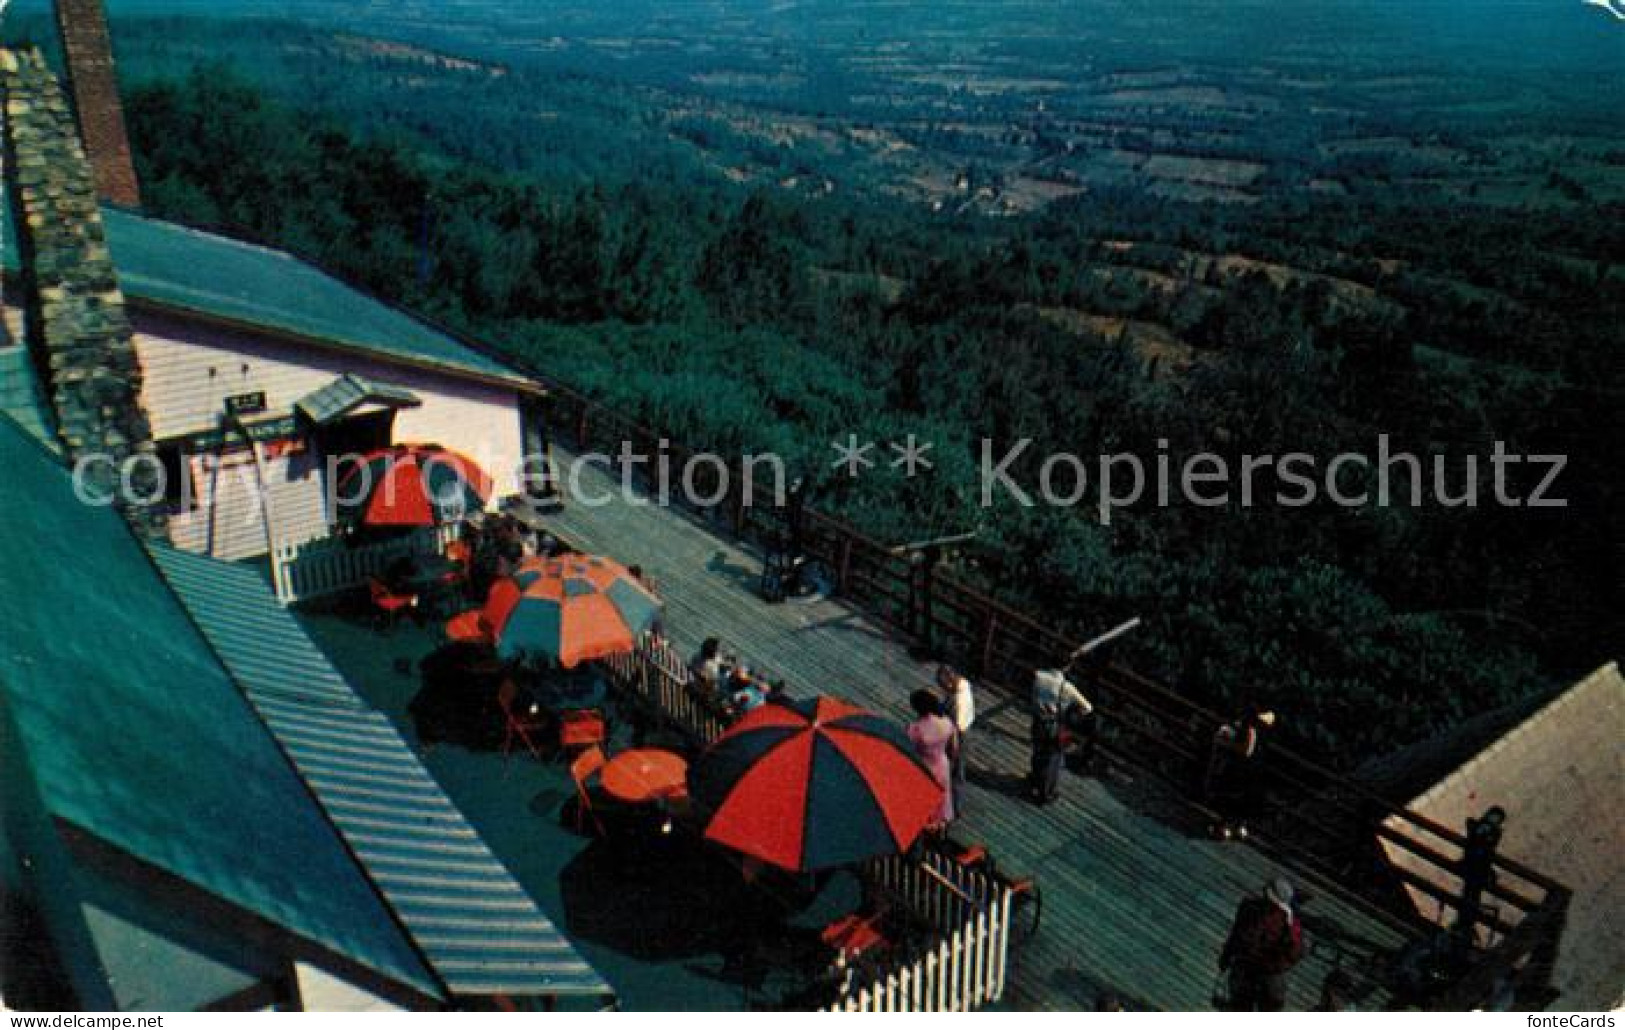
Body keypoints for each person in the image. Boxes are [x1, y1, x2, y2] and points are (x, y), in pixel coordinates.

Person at [1219, 877, 1304, 1011]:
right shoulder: (1250, 909)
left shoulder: (1288, 923)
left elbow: (1294, 952)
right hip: (1246, 969)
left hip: (1267, 973)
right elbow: (1236, 934)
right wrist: (1227, 956)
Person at [1206, 704, 1277, 840]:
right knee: (1243, 799)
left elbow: (1246, 750)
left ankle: (1224, 827)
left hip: (1242, 768)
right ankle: (1239, 827)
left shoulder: (1250, 729)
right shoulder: (1263, 731)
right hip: (1254, 769)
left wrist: (1226, 744)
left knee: (1232, 797)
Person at [1029, 666, 1093, 804]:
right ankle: (1045, 794)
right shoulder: (1067, 687)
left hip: (1039, 721)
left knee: (1038, 752)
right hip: (1055, 727)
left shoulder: (1039, 676)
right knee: (1053, 760)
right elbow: (1088, 708)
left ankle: (1034, 780)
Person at [906, 689, 956, 830]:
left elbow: (907, 750)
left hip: (924, 769)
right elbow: (954, 749)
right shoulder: (946, 723)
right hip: (942, 765)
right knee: (942, 798)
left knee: (922, 804)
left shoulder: (915, 729)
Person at [937, 665, 975, 814]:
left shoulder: (959, 701)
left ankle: (955, 808)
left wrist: (953, 747)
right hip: (962, 726)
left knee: (956, 772)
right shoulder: (963, 684)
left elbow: (956, 728)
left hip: (959, 735)